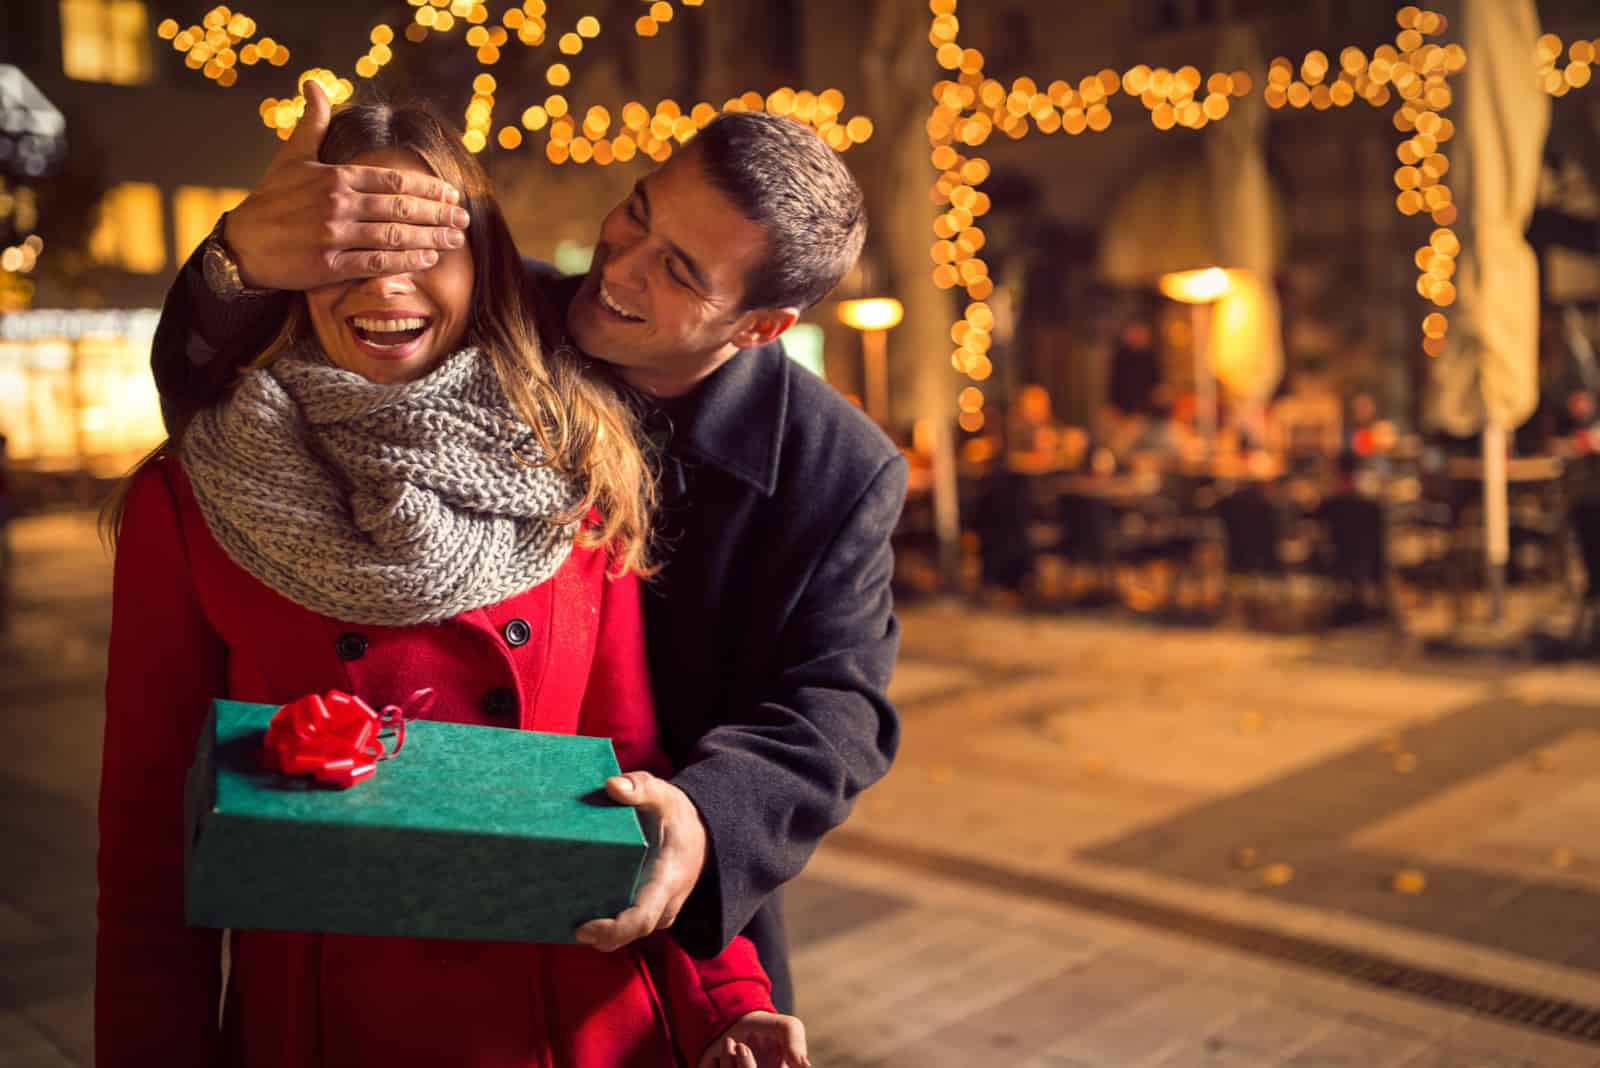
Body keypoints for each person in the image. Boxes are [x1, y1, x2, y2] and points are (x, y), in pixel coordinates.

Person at [147, 80, 905, 1013]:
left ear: (760, 328)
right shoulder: (508, 304)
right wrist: (239, 260)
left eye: (679, 271)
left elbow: (836, 705)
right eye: (637, 211)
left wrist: (709, 820)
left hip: (663, 883)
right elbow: (230, 390)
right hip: (395, 888)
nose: (619, 267)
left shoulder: (838, 465)